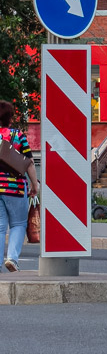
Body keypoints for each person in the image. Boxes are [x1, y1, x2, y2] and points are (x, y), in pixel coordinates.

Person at [0, 100, 40, 272]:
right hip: (14, 188)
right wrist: (34, 184)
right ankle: (12, 259)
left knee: (0, 227)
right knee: (18, 224)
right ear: (10, 117)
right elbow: (29, 162)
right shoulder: (17, 136)